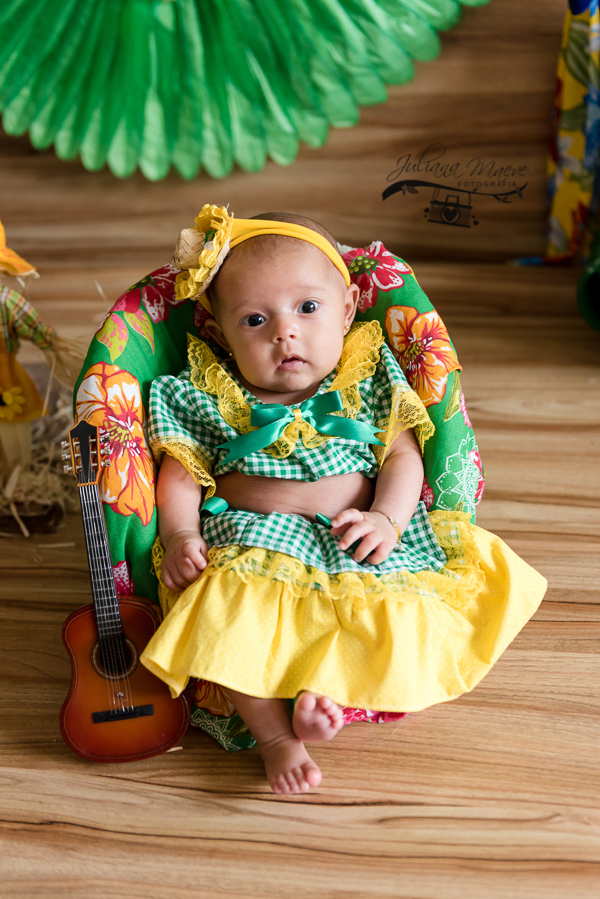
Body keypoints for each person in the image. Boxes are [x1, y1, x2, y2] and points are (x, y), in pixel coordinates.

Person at [140, 205, 547, 795]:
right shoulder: (205, 392)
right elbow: (178, 477)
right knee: (224, 614)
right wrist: (181, 536)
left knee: (387, 606)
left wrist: (388, 517)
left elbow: (402, 458)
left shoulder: (368, 375)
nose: (286, 332)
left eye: (308, 308)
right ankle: (278, 737)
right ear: (217, 331)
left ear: (350, 308)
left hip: (353, 533)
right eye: (255, 319)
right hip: (254, 537)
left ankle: (322, 697)